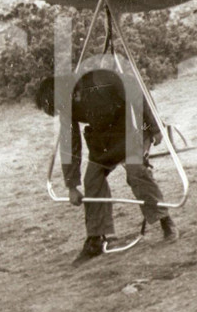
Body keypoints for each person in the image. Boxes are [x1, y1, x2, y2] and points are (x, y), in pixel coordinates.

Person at [34, 68, 178, 264]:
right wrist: (71, 185)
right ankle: (96, 237)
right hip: (103, 144)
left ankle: (164, 220)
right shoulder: (67, 106)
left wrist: (154, 127)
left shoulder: (100, 79)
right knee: (92, 180)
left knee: (136, 172)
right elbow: (71, 143)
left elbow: (138, 94)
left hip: (131, 133)